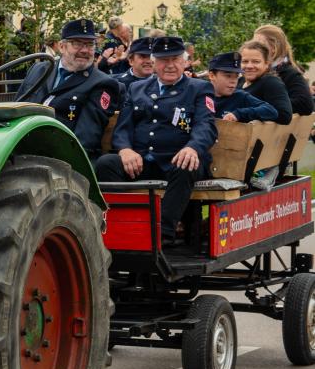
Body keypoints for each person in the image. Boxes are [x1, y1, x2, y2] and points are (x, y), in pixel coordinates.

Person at [94, 36, 218, 245]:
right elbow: (123, 127)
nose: (170, 65)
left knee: (185, 165)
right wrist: (125, 150)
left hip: (178, 160)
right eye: (163, 60)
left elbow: (206, 125)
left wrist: (193, 148)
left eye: (175, 59)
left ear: (184, 62)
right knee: (106, 164)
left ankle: (162, 233)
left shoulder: (199, 88)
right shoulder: (137, 88)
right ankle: (122, 227)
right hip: (143, 161)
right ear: (153, 62)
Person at [15, 19, 120, 160]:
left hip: (61, 159)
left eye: (90, 44)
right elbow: (16, 108)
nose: (84, 50)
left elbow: (84, 140)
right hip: (19, 148)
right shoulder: (39, 69)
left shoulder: (101, 83)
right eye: (77, 43)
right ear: (62, 46)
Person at [253, 24, 313, 116]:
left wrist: (265, 105)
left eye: (258, 45)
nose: (253, 48)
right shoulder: (254, 71)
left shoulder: (289, 73)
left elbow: (305, 104)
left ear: (273, 48)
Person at [207, 52, 278, 123]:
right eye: (228, 76)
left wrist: (239, 114)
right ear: (212, 76)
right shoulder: (202, 94)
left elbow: (271, 111)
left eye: (236, 76)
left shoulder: (240, 96)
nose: (233, 81)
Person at [239, 39, 292, 125]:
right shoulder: (239, 82)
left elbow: (285, 115)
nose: (249, 66)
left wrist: (242, 114)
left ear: (266, 64)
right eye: (244, 61)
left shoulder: (271, 83)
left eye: (256, 61)